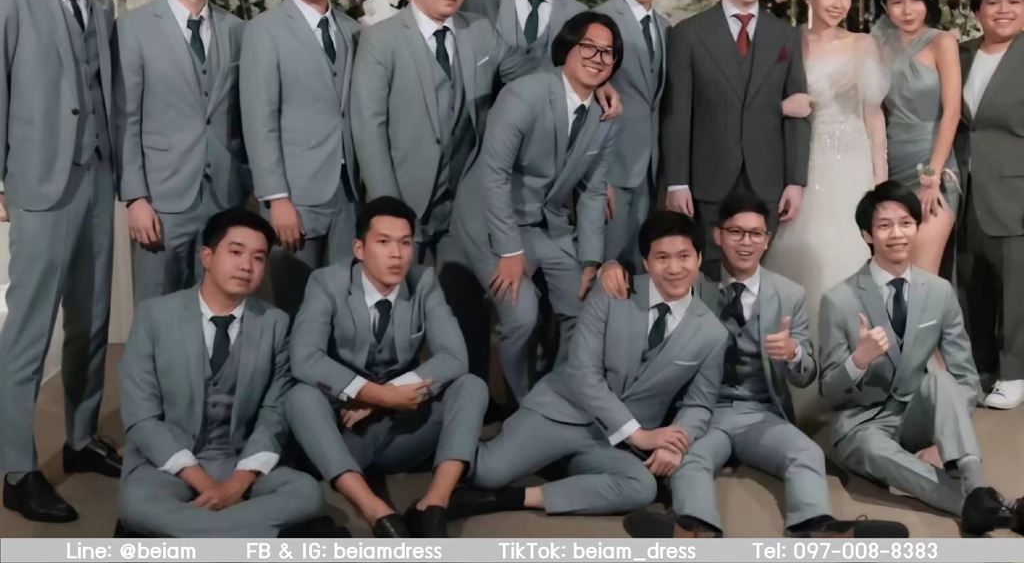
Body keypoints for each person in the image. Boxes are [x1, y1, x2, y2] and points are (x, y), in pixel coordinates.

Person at [609, 194, 904, 538]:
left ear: (767, 240)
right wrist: (609, 267)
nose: (746, 242)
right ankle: (694, 529)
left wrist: (793, 353)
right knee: (689, 459)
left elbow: (807, 374)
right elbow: (644, 283)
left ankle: (818, 528)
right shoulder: (690, 282)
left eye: (755, 234)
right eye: (736, 232)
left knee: (807, 452)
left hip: (761, 411)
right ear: (718, 235)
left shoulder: (789, 294)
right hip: (700, 411)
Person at [350, 0, 544, 380]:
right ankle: (389, 401)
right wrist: (389, 212)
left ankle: (467, 399)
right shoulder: (382, 39)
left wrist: (592, 74)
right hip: (404, 199)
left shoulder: (479, 33)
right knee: (396, 314)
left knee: (463, 306)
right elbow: (368, 127)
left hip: (463, 207)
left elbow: (531, 73)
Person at [448, 211, 728, 520]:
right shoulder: (613, 291)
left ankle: (516, 497)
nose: (674, 268)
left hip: (612, 443)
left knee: (641, 487)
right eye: (662, 258)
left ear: (698, 259)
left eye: (684, 256)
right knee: (486, 473)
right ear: (647, 263)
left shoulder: (712, 333)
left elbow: (699, 403)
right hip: (564, 412)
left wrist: (676, 442)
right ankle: (464, 438)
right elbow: (583, 373)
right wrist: (638, 435)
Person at [0, 0, 120, 523]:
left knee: (92, 321)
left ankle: (80, 438)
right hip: (41, 183)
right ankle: (17, 470)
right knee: (29, 332)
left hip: (97, 179)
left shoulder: (98, 0)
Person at [118, 209, 339, 537]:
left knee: (306, 492)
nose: (247, 266)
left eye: (258, 258)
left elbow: (274, 412)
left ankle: (200, 536)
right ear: (207, 257)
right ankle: (245, 534)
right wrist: (208, 486)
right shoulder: (154, 316)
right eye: (236, 252)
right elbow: (141, 416)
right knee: (136, 502)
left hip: (238, 460)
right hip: (167, 466)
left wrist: (237, 484)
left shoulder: (276, 323)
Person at [819, 181, 1023, 536]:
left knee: (941, 379)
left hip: (916, 413)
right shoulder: (838, 300)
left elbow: (966, 378)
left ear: (916, 228)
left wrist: (940, 440)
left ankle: (974, 484)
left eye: (906, 223)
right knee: (872, 448)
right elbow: (829, 393)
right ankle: (997, 508)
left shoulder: (939, 292)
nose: (897, 234)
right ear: (867, 235)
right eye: (885, 226)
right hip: (862, 424)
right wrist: (859, 360)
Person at [286, 197, 488, 538]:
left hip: (401, 428)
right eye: (383, 242)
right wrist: (375, 394)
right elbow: (305, 357)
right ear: (359, 249)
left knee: (472, 386)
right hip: (343, 432)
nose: (397, 254)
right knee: (300, 398)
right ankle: (377, 513)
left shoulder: (424, 282)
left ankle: (433, 506)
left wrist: (387, 397)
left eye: (405, 243)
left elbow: (455, 357)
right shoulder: (327, 282)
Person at [450, 12, 623, 402]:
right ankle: (522, 402)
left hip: (546, 223)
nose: (598, 58)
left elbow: (593, 193)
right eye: (588, 47)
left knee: (586, 308)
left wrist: (590, 261)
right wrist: (510, 251)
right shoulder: (524, 94)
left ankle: (558, 398)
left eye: (607, 52)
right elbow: (493, 175)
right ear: (567, 48)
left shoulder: (607, 116)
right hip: (490, 220)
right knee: (523, 314)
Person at [762, 0, 889, 412]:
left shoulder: (862, 44)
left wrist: (880, 183)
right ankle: (796, 382)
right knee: (800, 260)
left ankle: (854, 381)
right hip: (803, 164)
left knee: (848, 262)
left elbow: (873, 116)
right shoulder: (787, 40)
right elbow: (765, 97)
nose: (838, 4)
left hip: (850, 163)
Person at [116, 0, 251, 303]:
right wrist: (135, 198)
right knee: (158, 306)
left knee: (221, 308)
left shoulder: (238, 30)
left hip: (225, 195)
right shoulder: (133, 29)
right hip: (162, 200)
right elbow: (126, 119)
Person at [662, 0, 810, 278]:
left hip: (768, 179)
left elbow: (797, 111)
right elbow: (677, 114)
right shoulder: (688, 33)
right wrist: (677, 182)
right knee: (709, 275)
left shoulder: (786, 36)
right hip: (708, 179)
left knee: (759, 275)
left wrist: (796, 180)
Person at [239, 0, 360, 318]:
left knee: (343, 308)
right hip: (295, 195)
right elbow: (259, 121)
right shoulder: (265, 31)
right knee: (296, 309)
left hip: (348, 192)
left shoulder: (352, 30)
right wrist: (277, 199)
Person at [957, 0, 1024, 409]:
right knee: (970, 283)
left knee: (1017, 288)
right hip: (964, 187)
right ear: (977, 10)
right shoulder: (961, 53)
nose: (1004, 10)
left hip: (1016, 189)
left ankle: (1015, 372)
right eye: (993, 2)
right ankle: (979, 368)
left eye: (1014, 1)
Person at [871, 0, 961, 275]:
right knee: (896, 272)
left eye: (916, 0)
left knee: (922, 274)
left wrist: (932, 176)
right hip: (893, 166)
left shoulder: (942, 42)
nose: (908, 10)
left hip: (935, 167)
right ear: (885, 6)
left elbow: (952, 112)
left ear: (928, 1)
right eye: (898, 2)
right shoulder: (877, 46)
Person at [595, 0, 673, 274]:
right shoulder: (597, 22)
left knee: (643, 274)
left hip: (652, 174)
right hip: (612, 172)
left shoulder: (666, 28)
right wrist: (596, 179)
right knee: (604, 271)